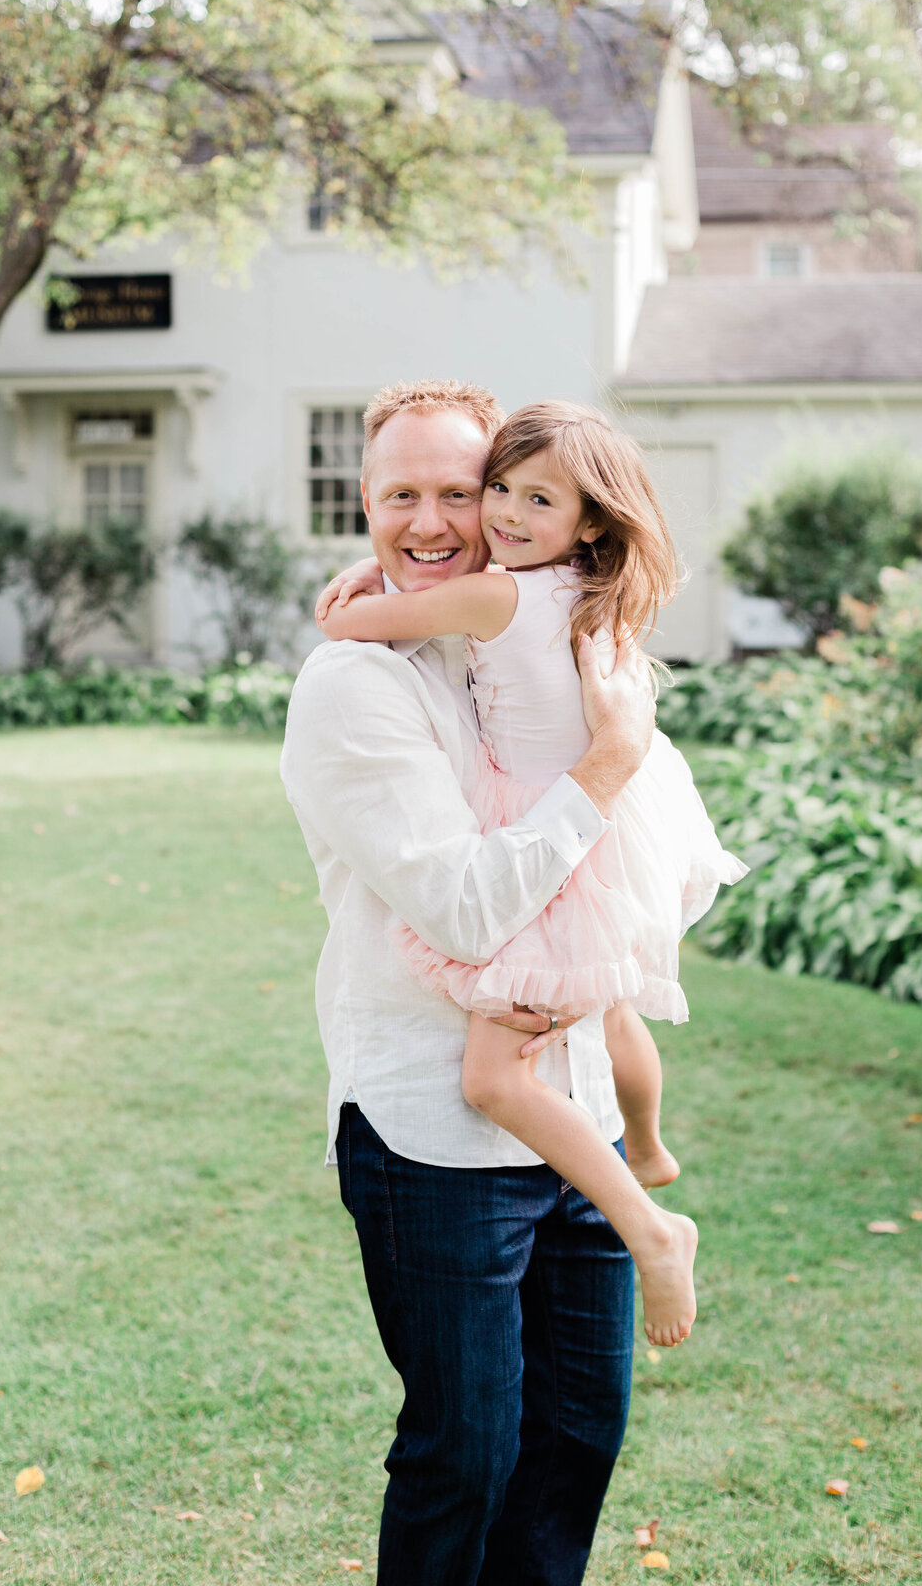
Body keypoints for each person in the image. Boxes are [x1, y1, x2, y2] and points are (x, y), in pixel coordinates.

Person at [280, 379, 657, 1586]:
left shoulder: (529, 630)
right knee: (468, 1460)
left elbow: (644, 842)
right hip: (435, 1128)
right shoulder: (352, 689)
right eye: (406, 496)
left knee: (578, 1441)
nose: (440, 520)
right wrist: (606, 770)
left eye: (464, 489)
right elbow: (468, 905)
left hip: (574, 1116)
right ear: (366, 505)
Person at [316, 401, 746, 1348]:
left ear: (585, 517)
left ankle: (649, 1220)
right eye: (497, 491)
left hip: (561, 828)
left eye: (472, 494)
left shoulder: (498, 597)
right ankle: (650, 1143)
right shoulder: (587, 591)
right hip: (609, 837)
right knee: (614, 1001)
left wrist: (356, 585)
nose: (496, 514)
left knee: (496, 1072)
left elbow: (351, 619)